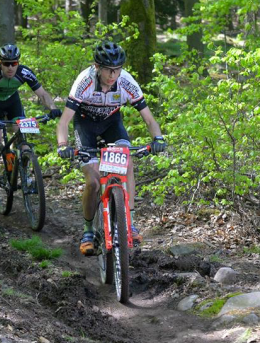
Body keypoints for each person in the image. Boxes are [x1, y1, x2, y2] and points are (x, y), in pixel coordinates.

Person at [56, 41, 167, 256]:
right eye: (108, 69)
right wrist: (63, 145)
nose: (113, 75)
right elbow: (64, 121)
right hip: (85, 124)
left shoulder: (126, 82)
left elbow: (149, 119)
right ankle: (88, 230)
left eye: (117, 69)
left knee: (127, 164)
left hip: (111, 124)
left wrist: (158, 138)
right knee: (94, 181)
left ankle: (130, 223)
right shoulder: (84, 81)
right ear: (97, 67)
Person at [0, 43, 61, 185]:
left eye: (14, 63)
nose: (10, 67)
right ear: (0, 64)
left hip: (13, 103)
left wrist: (52, 108)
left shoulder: (24, 72)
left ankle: (24, 173)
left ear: (18, 62)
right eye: (6, 64)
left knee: (22, 135)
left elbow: (43, 94)